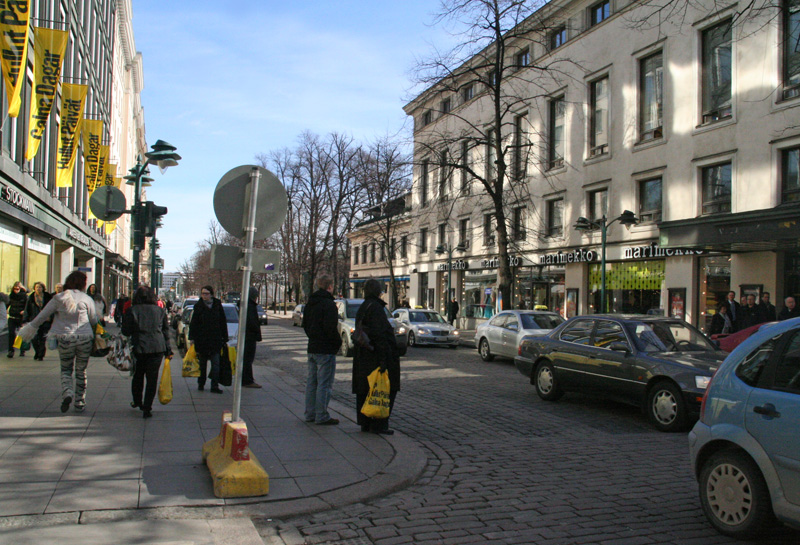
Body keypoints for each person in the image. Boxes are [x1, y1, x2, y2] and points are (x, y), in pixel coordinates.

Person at [19, 271, 97, 413]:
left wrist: (29, 329)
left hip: (65, 338)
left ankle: (68, 392)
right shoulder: (86, 298)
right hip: (85, 338)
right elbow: (93, 320)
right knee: (81, 371)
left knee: (66, 369)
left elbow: (42, 316)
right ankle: (80, 401)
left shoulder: (59, 298)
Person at [353, 278, 400, 435]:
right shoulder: (376, 309)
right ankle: (379, 423)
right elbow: (380, 336)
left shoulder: (364, 306)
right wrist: (383, 360)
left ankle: (365, 422)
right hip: (375, 356)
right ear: (378, 292)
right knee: (382, 389)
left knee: (365, 390)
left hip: (363, 356)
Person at [121, 286, 172, 419]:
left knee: (138, 375)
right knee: (152, 378)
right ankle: (147, 407)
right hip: (157, 348)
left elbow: (125, 331)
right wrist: (168, 350)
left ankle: (137, 401)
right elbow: (166, 332)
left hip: (139, 347)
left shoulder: (133, 310)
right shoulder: (160, 311)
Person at [302, 274, 341, 425]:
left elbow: (305, 325)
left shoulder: (310, 303)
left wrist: (312, 336)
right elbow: (331, 328)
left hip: (312, 346)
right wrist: (336, 344)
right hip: (325, 349)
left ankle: (310, 413)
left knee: (312, 382)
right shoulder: (329, 304)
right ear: (330, 287)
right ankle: (321, 415)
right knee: (324, 383)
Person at [189, 285, 228, 394]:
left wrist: (225, 337)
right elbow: (194, 323)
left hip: (215, 339)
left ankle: (214, 385)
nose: (204, 296)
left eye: (206, 293)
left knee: (216, 364)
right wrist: (192, 338)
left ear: (211, 294)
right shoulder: (198, 306)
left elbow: (222, 321)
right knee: (202, 364)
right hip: (202, 340)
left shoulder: (217, 304)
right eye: (202, 293)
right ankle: (201, 383)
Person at [240, 286, 263, 388]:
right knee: (248, 359)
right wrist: (256, 332)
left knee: (247, 359)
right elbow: (252, 322)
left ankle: (247, 379)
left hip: (247, 336)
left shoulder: (246, 305)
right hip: (249, 337)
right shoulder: (250, 306)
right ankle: (247, 380)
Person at [23, 282, 52, 361]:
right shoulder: (31, 297)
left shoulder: (47, 297)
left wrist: (51, 318)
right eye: (37, 287)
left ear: (43, 288)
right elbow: (27, 309)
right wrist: (25, 319)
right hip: (34, 320)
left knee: (42, 338)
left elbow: (52, 309)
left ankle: (40, 355)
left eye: (40, 287)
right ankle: (37, 351)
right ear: (34, 288)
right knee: (34, 338)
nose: (38, 289)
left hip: (45, 320)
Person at [6, 281, 27, 358]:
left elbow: (27, 307)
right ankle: (10, 350)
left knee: (21, 334)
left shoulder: (24, 296)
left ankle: (22, 350)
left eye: (18, 288)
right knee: (11, 334)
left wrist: (24, 312)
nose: (16, 290)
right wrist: (6, 310)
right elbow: (7, 305)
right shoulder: (11, 296)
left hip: (21, 318)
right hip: (12, 317)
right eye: (15, 288)